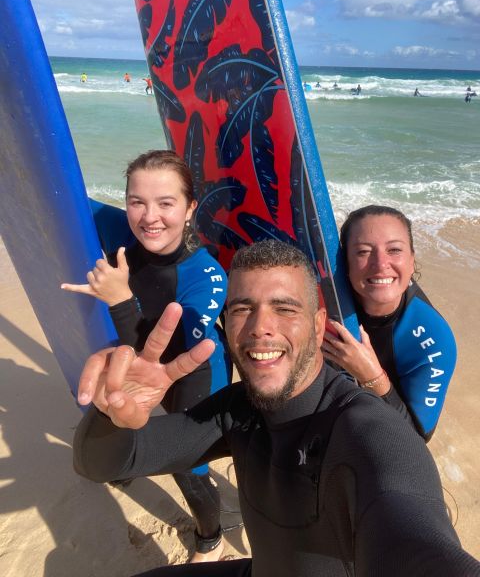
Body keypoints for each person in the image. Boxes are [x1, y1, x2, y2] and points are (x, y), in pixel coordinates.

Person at [73, 240, 480, 577]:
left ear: (319, 326)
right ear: (226, 324)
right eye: (242, 309)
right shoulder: (238, 409)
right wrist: (112, 415)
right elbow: (100, 464)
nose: (259, 327)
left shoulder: (366, 427)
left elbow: (416, 545)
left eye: (285, 308)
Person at [62, 150, 230, 563]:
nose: (149, 217)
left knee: (187, 467)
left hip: (195, 375)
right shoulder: (118, 228)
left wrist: (120, 301)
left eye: (166, 203)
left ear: (190, 209)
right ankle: (123, 464)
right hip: (138, 364)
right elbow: (57, 195)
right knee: (121, 413)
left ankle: (211, 538)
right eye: (137, 201)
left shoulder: (206, 277)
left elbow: (167, 353)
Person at [322, 205, 456, 442]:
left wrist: (370, 374)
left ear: (412, 261)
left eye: (394, 250)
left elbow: (416, 439)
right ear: (345, 264)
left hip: (387, 425)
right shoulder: (324, 300)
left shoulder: (435, 340)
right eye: (363, 252)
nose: (380, 264)